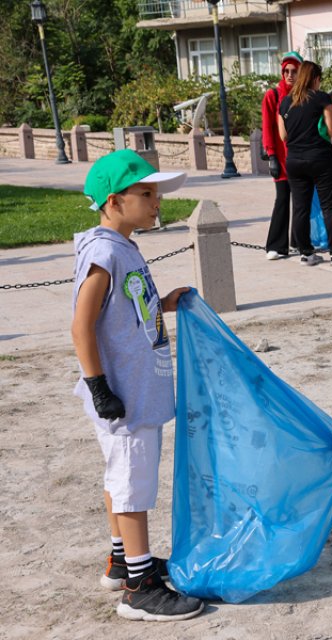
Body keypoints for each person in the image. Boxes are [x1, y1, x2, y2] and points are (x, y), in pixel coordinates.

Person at [73, 149, 204, 622]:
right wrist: (99, 387)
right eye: (146, 194)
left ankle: (122, 559)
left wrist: (163, 303)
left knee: (120, 478)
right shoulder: (105, 251)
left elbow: (122, 313)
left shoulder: (124, 245)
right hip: (124, 397)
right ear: (113, 200)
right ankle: (141, 587)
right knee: (133, 484)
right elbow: (81, 325)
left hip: (133, 389)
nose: (156, 203)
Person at [277, 60, 332, 266]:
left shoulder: (285, 102)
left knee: (300, 208)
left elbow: (283, 135)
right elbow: (331, 130)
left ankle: (306, 254)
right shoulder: (321, 98)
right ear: (316, 79)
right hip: (321, 158)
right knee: (330, 207)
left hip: (294, 160)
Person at [262, 51, 304, 260]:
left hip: (300, 156)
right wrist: (271, 155)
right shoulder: (273, 95)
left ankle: (298, 241)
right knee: (282, 199)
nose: (289, 75)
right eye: (286, 71)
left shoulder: (303, 96)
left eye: (294, 71)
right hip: (281, 157)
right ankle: (276, 245)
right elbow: (267, 127)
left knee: (300, 201)